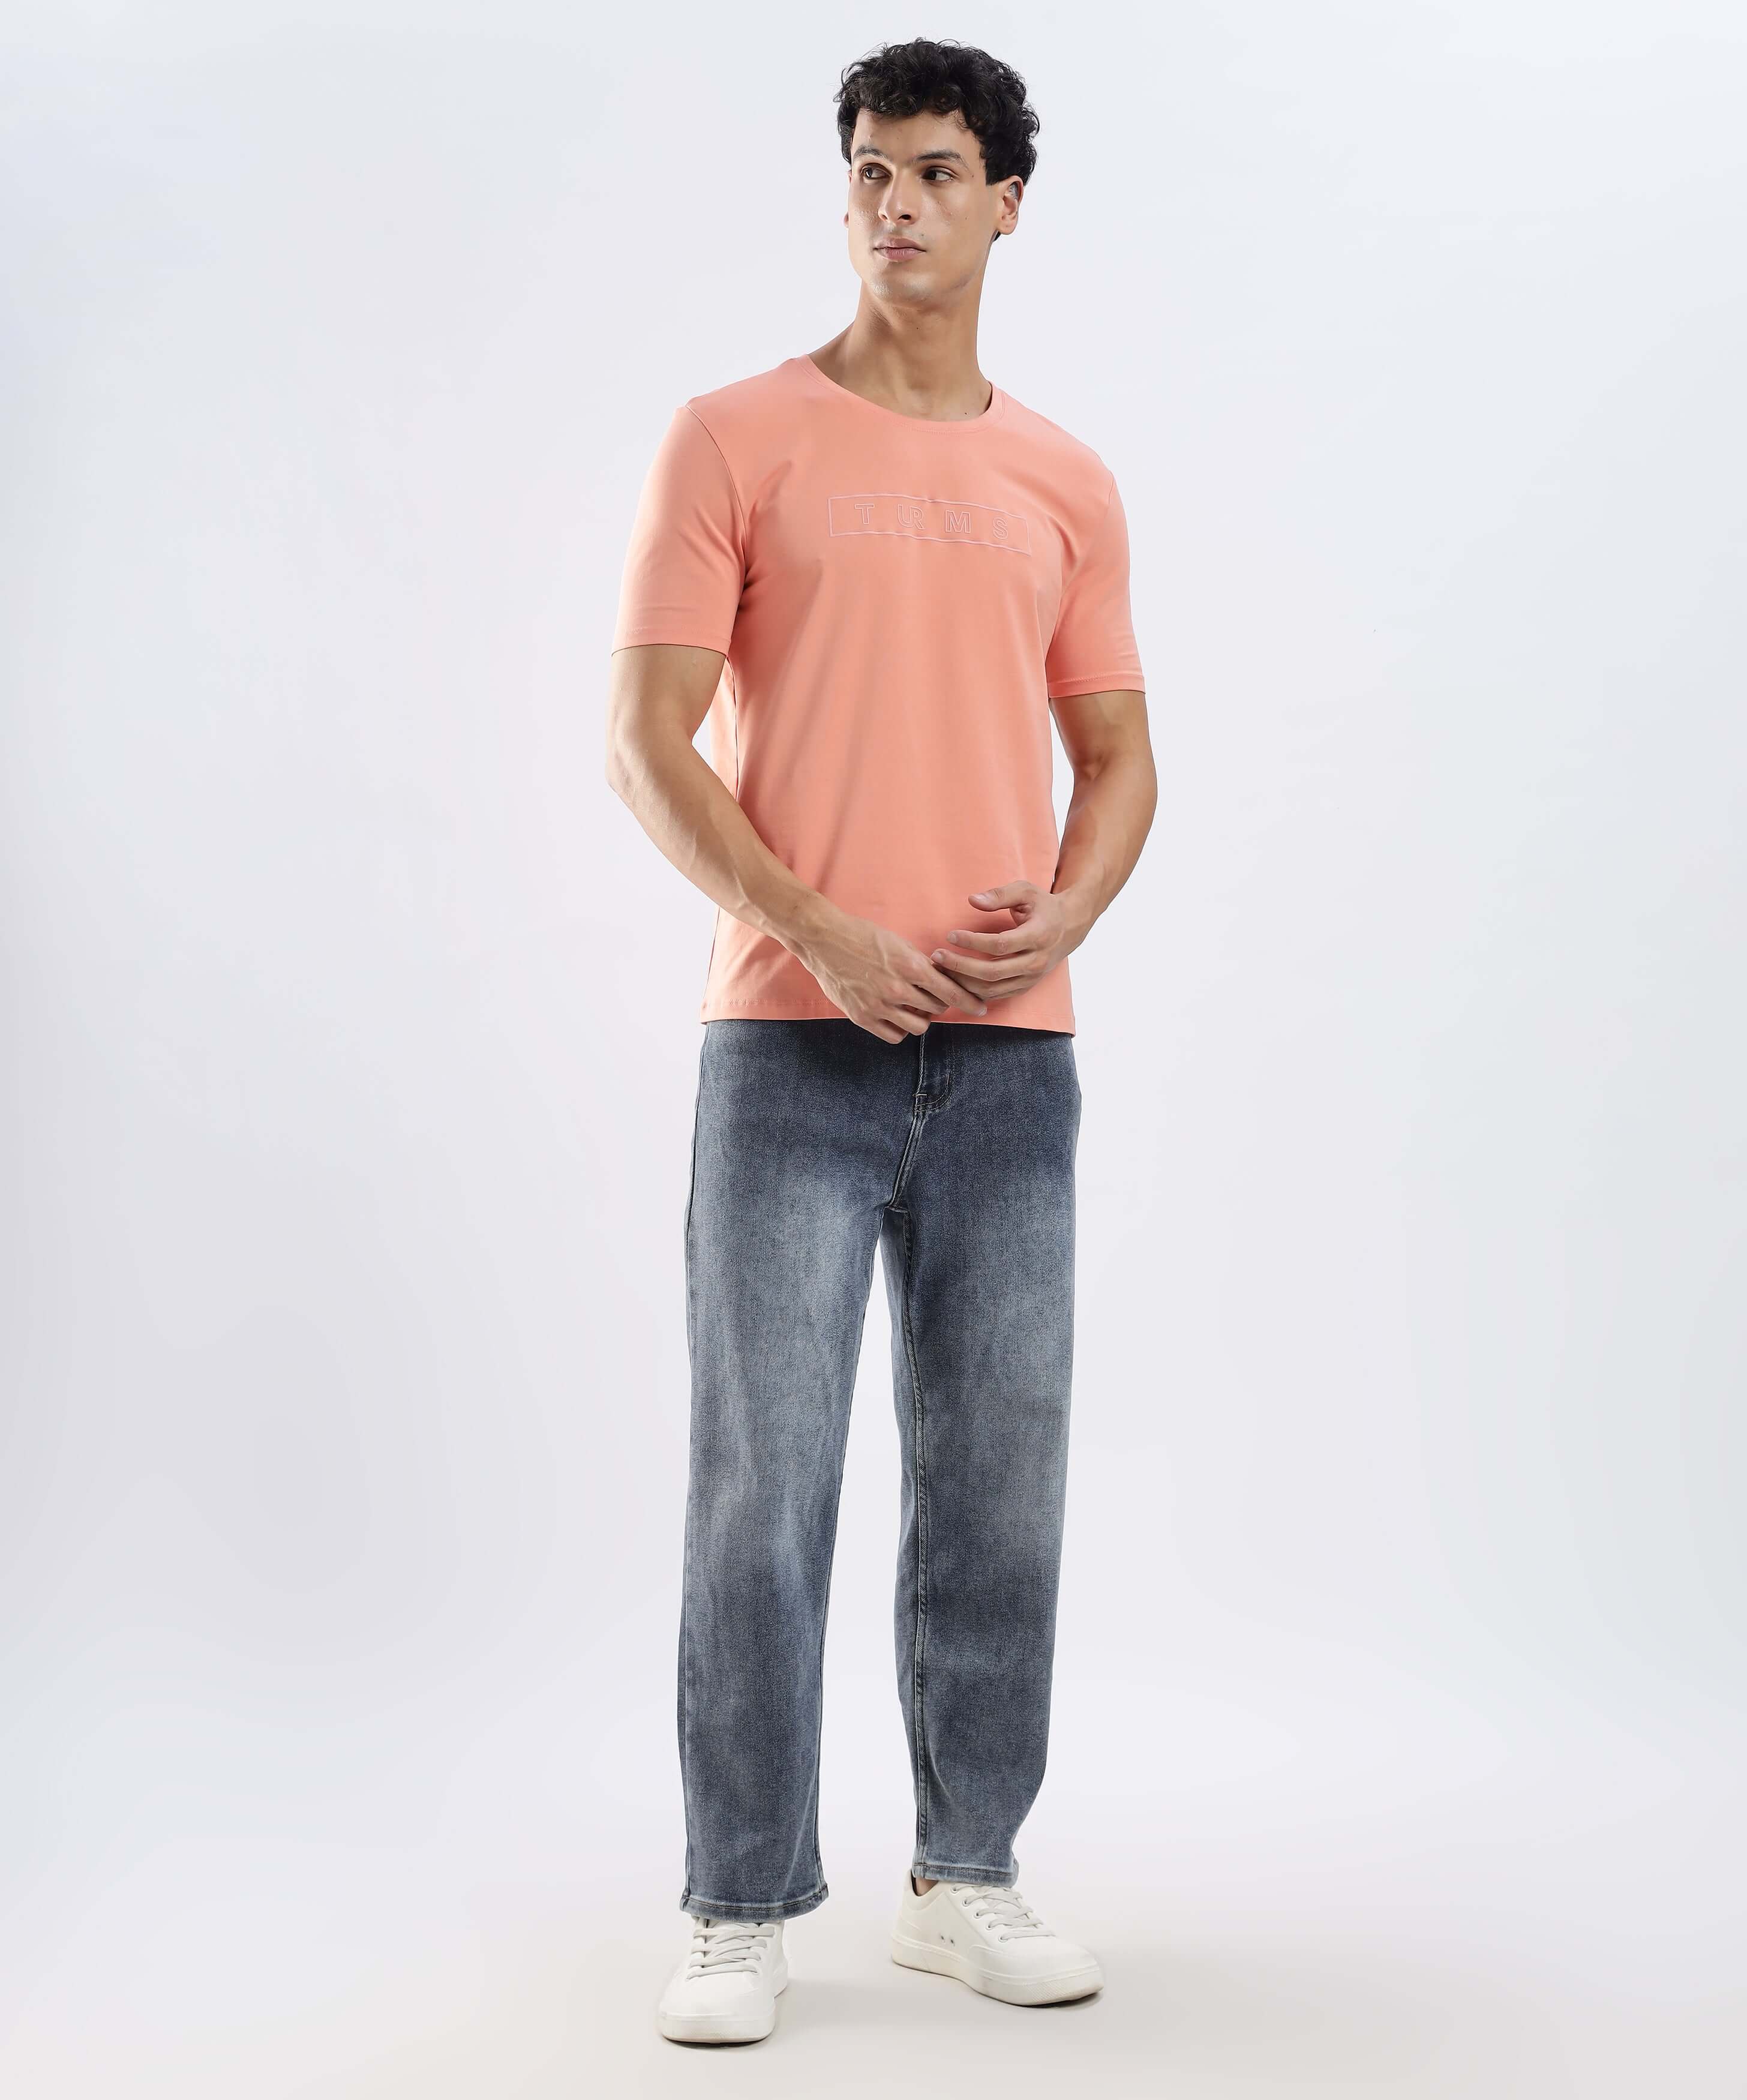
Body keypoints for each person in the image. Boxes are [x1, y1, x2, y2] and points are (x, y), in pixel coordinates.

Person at [606, 37, 1157, 2046]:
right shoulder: (732, 438)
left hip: (1012, 1058)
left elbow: (1120, 755)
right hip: (787, 1046)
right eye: (868, 171)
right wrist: (818, 930)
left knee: (1000, 1479)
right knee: (764, 1484)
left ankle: (966, 1873)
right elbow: (646, 741)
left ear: (1008, 201)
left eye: (934, 171)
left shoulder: (1064, 478)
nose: (896, 204)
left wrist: (1073, 909)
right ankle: (737, 1898)